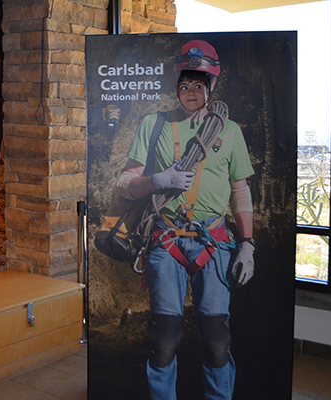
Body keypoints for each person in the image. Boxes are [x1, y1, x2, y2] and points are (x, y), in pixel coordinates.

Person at [114, 40, 256, 400]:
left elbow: (240, 190)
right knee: (164, 338)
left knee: (216, 339)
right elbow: (125, 183)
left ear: (210, 87)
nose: (190, 92)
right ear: (176, 86)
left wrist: (247, 244)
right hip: (167, 241)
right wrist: (158, 181)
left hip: (215, 243)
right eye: (184, 85)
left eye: (198, 85)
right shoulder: (155, 125)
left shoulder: (230, 131)